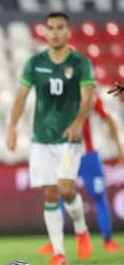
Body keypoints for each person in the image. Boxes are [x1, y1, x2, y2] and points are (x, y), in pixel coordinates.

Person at [7, 12, 94, 265]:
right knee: (50, 194)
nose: (55, 32)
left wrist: (77, 123)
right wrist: (12, 127)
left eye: (60, 28)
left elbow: (87, 98)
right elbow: (21, 97)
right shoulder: (35, 62)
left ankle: (81, 229)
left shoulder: (80, 63)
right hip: (41, 139)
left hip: (69, 139)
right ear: (45, 32)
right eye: (51, 28)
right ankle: (59, 252)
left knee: (66, 189)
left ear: (68, 32)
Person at [38, 95, 124, 255]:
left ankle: (108, 240)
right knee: (59, 195)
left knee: (98, 196)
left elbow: (109, 119)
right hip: (66, 155)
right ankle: (55, 242)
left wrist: (118, 147)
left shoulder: (91, 97)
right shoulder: (58, 94)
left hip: (87, 156)